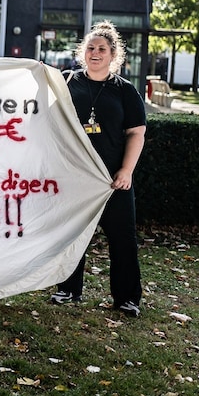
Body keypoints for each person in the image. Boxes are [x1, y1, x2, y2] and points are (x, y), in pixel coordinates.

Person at [49, 21, 146, 317]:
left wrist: (126, 171)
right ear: (82, 52)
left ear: (113, 54)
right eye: (90, 47)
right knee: (71, 234)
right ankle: (67, 289)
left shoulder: (125, 91)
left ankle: (127, 298)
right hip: (75, 177)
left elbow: (136, 133)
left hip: (112, 181)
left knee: (122, 238)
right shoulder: (67, 83)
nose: (95, 52)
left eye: (101, 48)